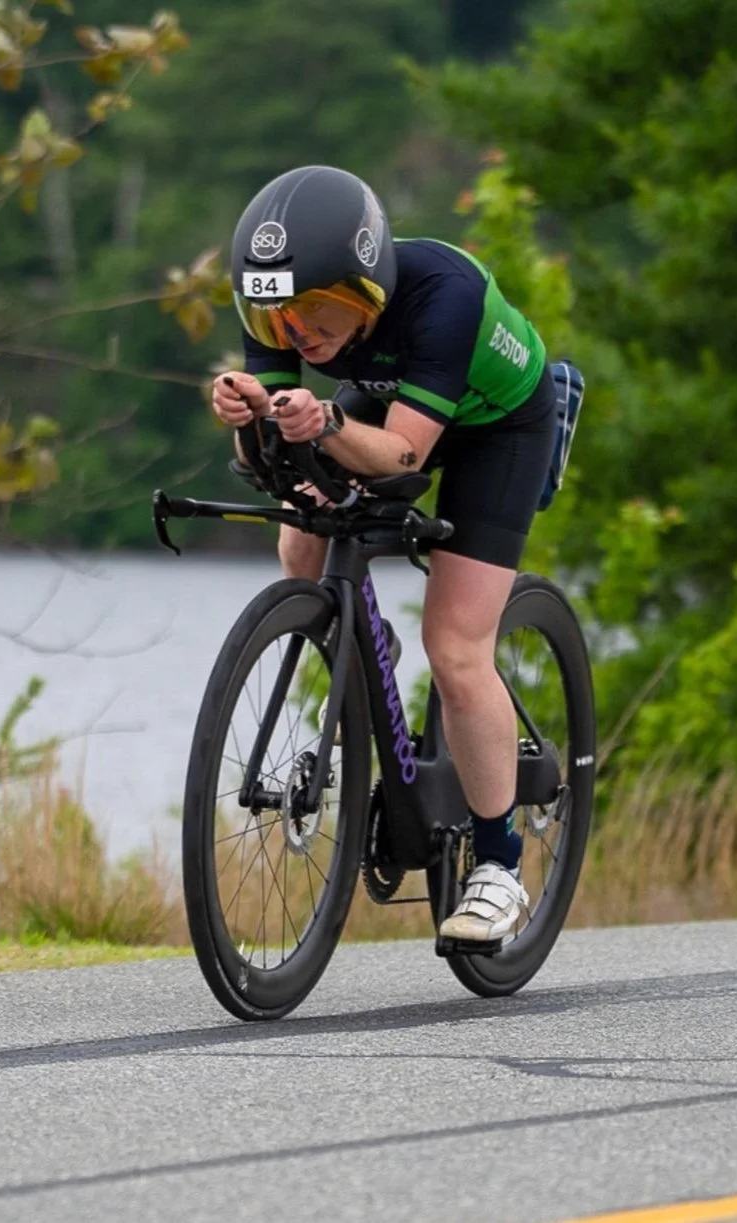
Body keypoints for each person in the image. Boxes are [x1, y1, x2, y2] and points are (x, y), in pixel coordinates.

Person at [209, 164, 557, 944]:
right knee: (300, 530)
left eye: (320, 310)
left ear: (368, 287)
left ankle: (498, 867)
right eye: (276, 318)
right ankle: (363, 643)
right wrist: (245, 410)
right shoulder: (283, 310)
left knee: (458, 646)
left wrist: (325, 424)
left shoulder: (443, 294)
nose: (298, 334)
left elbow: (403, 456)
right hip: (389, 393)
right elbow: (268, 452)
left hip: (494, 425)